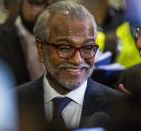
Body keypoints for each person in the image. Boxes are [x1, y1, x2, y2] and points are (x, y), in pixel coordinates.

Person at [17, 1, 122, 131]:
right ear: (41, 49)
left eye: (87, 47)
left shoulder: (122, 108)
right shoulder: (9, 104)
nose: (77, 60)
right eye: (65, 47)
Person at [0, 0, 55, 85]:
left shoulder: (65, 38)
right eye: (38, 3)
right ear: (21, 2)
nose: (47, 11)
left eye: (55, 5)